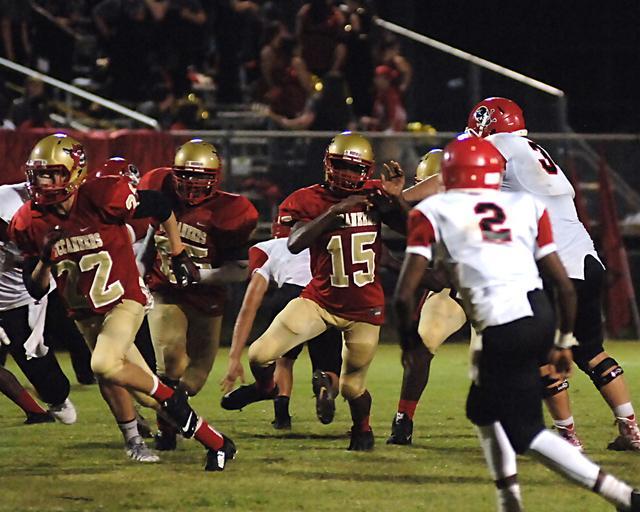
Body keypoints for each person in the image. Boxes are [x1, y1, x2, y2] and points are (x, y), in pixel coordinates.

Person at [394, 134, 640, 512]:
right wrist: (563, 339)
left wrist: (410, 344)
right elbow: (563, 286)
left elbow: (403, 294)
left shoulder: (434, 211)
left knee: (526, 432)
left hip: (503, 327)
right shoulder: (527, 205)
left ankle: (622, 497)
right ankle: (509, 499)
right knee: (481, 410)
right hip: (539, 313)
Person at [10, 133, 235, 470]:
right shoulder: (28, 220)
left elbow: (160, 206)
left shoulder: (102, 197)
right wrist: (45, 258)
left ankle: (168, 399)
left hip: (123, 300)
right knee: (138, 391)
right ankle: (217, 443)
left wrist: (178, 253)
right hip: (84, 312)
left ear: (75, 172)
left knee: (103, 364)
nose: (46, 183)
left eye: (54, 173)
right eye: (40, 174)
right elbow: (36, 289)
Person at [465, 96, 640, 452]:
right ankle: (631, 428)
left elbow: (455, 186)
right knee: (591, 350)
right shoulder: (535, 152)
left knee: (542, 356)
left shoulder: (498, 146)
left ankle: (568, 437)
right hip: (588, 263)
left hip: (553, 268)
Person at [221, 131, 407, 451]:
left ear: (367, 170)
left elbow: (414, 230)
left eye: (355, 168)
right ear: (328, 164)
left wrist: (395, 199)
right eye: (341, 165)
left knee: (351, 388)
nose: (347, 174)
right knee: (260, 354)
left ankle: (362, 429)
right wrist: (334, 212)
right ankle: (266, 388)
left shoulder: (375, 197)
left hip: (364, 309)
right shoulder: (307, 199)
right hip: (319, 301)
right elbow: (294, 243)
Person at [137, 138, 258, 451]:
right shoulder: (161, 190)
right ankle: (167, 429)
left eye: (200, 176)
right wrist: (139, 272)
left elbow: (240, 269)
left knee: (196, 377)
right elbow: (151, 236)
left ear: (216, 177)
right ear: (173, 173)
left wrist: (200, 276)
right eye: (185, 175)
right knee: (171, 365)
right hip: (165, 289)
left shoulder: (230, 211)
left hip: (207, 296)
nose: (192, 183)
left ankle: (168, 411)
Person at [220, 219, 342, 429]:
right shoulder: (324, 242)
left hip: (290, 295)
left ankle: (282, 415)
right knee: (330, 367)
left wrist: (234, 356)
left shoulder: (268, 248)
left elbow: (250, 305)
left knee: (283, 360)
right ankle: (327, 386)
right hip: (325, 296)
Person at [0, 181, 77, 425]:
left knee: (53, 382)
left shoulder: (17, 205)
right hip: (9, 301)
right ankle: (38, 410)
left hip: (32, 296)